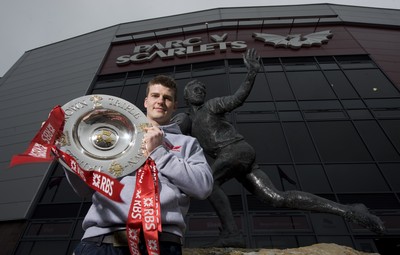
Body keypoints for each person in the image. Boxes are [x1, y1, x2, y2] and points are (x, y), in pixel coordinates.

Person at [173, 48, 385, 247]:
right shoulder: (188, 119)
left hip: (235, 151)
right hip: (237, 157)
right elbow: (174, 130)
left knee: (208, 183)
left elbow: (237, 99)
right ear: (186, 95)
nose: (200, 90)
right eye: (195, 88)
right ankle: (351, 211)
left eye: (202, 88)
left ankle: (232, 234)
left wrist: (251, 74)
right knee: (276, 198)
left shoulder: (211, 106)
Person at [65, 75, 214, 255]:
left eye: (167, 98)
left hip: (162, 242)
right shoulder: (114, 133)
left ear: (175, 105)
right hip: (102, 240)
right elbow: (85, 188)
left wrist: (159, 153)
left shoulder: (188, 143)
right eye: (155, 95)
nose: (160, 101)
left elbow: (203, 187)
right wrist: (66, 155)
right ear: (145, 101)